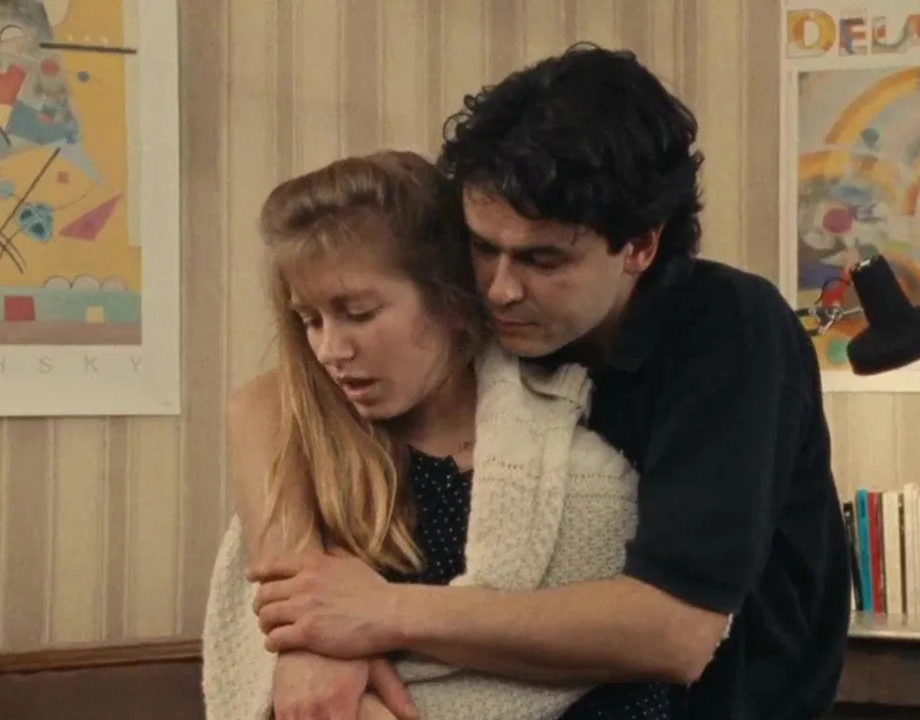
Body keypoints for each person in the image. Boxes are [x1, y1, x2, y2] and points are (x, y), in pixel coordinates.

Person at [247, 44, 854, 720]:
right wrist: (303, 628)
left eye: (543, 259)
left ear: (640, 246)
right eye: (484, 247)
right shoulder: (501, 312)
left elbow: (674, 632)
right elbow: (269, 399)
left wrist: (381, 613)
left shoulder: (729, 330)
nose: (500, 289)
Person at [202, 149, 680, 720]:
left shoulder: (578, 471)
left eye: (360, 312)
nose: (331, 349)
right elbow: (273, 676)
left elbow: (638, 681)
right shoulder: (308, 470)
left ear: (451, 300)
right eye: (311, 320)